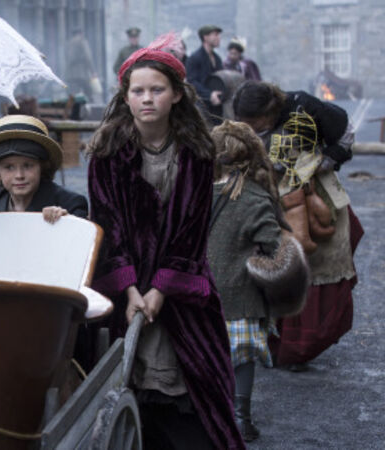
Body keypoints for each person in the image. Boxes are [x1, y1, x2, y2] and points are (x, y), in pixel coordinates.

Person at [88, 33, 244, 449]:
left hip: (179, 286)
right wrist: (130, 289)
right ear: (125, 96)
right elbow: (106, 225)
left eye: (157, 90)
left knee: (192, 386)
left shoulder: (196, 152)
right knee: (124, 382)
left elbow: (191, 229)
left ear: (176, 94)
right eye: (138, 91)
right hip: (127, 286)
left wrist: (161, 288)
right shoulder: (107, 153)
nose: (147, 99)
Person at [233, 81, 363, 371]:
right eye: (245, 122)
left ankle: (299, 346)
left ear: (270, 112)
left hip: (312, 196)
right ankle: (266, 341)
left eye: (256, 122)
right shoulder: (244, 123)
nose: (251, 128)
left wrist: (323, 162)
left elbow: (344, 131)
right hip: (264, 196)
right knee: (265, 264)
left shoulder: (305, 107)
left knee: (311, 266)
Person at [207, 120, 288, 442]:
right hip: (241, 297)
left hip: (200, 295)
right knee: (241, 360)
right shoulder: (256, 197)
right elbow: (275, 248)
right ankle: (240, 419)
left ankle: (209, 417)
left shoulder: (194, 192)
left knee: (206, 357)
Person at [0, 114, 87, 222]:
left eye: (27, 165)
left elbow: (81, 230)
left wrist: (66, 222)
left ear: (42, 166)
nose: (19, 175)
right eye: (9, 167)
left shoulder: (71, 205)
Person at [186, 25, 224, 125]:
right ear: (205, 37)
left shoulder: (217, 58)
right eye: (215, 35)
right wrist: (209, 94)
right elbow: (192, 81)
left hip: (217, 107)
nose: (218, 38)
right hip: (201, 106)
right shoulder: (194, 58)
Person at [65, 28, 98, 102]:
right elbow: (88, 57)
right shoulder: (82, 41)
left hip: (70, 74)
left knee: (73, 95)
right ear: (80, 33)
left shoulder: (68, 43)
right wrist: (93, 71)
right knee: (89, 92)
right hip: (81, 73)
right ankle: (91, 106)